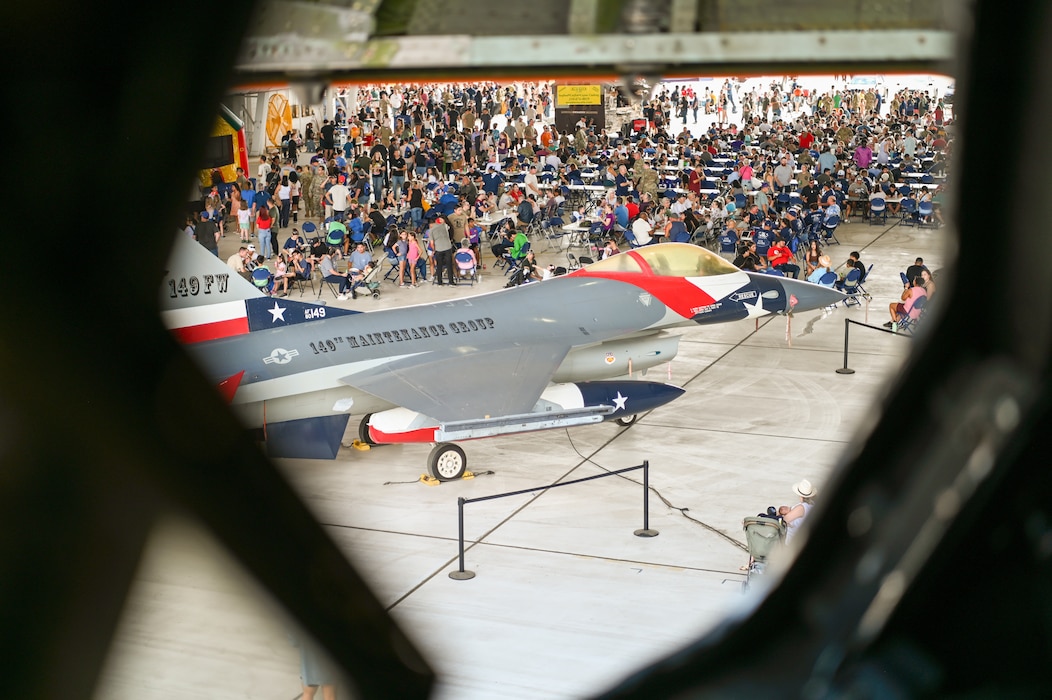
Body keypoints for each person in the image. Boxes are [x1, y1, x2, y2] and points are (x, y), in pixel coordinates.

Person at [783, 479, 817, 544]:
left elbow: (784, 520)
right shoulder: (812, 506)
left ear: (800, 496)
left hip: (790, 542)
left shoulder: (801, 508)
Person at [430, 216, 455, 285]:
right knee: (449, 265)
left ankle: (440, 282)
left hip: (438, 249)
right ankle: (451, 282)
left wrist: (434, 250)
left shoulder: (431, 230)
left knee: (439, 266)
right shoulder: (445, 226)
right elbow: (448, 227)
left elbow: (432, 243)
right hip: (447, 247)